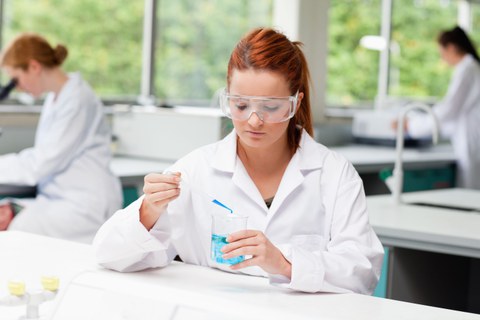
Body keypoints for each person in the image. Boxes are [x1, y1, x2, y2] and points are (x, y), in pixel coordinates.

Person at [93, 28, 383, 294]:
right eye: (241, 105)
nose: (254, 120)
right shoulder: (196, 170)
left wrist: (284, 263)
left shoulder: (333, 173)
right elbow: (108, 253)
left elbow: (364, 271)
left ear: (295, 102)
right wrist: (149, 210)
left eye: (270, 107)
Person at [0, 33, 123, 243]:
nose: (17, 87)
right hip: (60, 200)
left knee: (12, 235)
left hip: (83, 206)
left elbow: (41, 163)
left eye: (16, 79)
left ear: (34, 67)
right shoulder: (57, 98)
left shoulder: (78, 99)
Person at [405, 26, 480, 189]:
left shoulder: (467, 69)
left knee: (470, 195)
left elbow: (449, 110)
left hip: (471, 141)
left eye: (442, 52)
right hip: (470, 140)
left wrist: (412, 125)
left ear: (451, 47)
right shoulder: (471, 68)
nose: (442, 58)